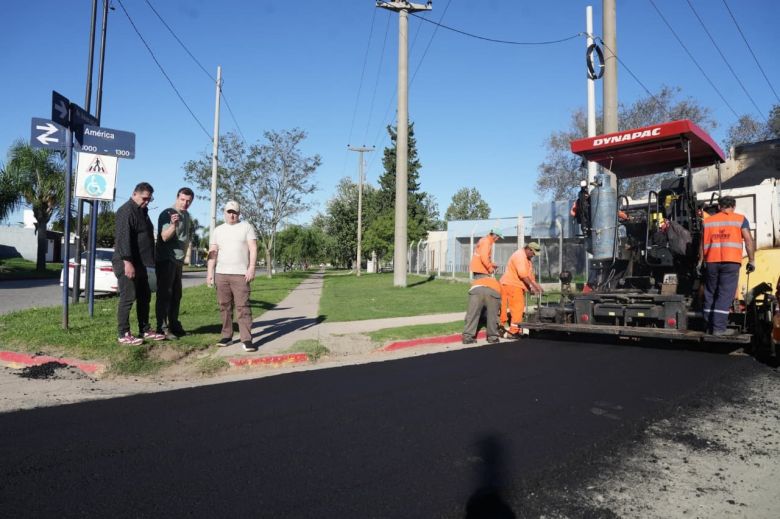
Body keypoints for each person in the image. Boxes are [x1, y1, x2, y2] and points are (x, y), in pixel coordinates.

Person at [113, 182, 166, 345]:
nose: (147, 202)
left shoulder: (143, 211)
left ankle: (144, 329)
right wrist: (127, 262)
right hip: (128, 262)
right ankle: (124, 333)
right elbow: (123, 239)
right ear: (135, 194)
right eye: (144, 198)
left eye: (149, 199)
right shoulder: (126, 211)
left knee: (145, 297)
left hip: (143, 263)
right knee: (128, 297)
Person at [207, 201, 258, 351]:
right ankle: (227, 336)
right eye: (229, 212)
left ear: (239, 213)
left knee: (243, 307)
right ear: (224, 212)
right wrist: (210, 272)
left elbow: (253, 248)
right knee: (224, 307)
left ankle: (246, 339)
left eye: (234, 212)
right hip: (221, 274)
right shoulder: (218, 230)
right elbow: (213, 252)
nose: (232, 215)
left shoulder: (246, 227)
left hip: (241, 275)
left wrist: (252, 268)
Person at [701, 195, 755, 336]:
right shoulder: (740, 219)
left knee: (710, 293)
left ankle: (708, 325)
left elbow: (702, 244)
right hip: (731, 262)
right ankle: (718, 328)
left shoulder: (708, 221)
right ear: (734, 206)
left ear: (719, 207)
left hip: (711, 261)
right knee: (725, 294)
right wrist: (751, 260)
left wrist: (701, 262)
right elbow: (749, 241)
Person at [154, 187, 194, 338]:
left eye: (188, 201)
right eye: (183, 199)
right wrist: (173, 225)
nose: (185, 203)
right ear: (177, 197)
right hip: (166, 259)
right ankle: (162, 328)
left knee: (176, 295)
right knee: (165, 295)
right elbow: (164, 237)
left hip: (178, 261)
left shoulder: (187, 215)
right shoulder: (168, 213)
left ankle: (174, 325)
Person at [500, 242, 543, 339]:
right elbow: (523, 275)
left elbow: (530, 276)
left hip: (515, 285)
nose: (533, 256)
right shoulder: (520, 256)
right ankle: (513, 332)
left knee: (517, 308)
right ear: (529, 249)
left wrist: (536, 286)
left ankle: (514, 329)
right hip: (512, 285)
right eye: (533, 253)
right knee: (517, 309)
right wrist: (532, 287)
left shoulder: (527, 259)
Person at [462, 276, 502, 345]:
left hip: (476, 289)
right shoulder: (498, 284)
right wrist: (502, 321)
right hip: (493, 291)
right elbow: (500, 308)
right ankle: (492, 338)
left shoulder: (478, 280)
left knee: (472, 314)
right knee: (492, 315)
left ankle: (467, 337)